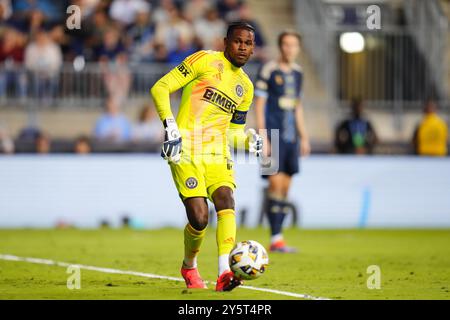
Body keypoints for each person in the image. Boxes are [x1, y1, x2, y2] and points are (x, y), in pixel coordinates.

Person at [150, 21, 263, 292]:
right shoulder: (204, 60)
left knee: (226, 200)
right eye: (237, 41)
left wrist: (249, 141)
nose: (242, 47)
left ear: (253, 48)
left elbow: (233, 132)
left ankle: (225, 271)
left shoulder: (245, 88)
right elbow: (160, 88)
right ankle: (189, 265)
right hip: (186, 148)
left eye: (248, 43)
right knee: (199, 217)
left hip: (217, 153)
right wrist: (171, 128)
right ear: (225, 42)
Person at [255, 30, 310, 253]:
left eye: (294, 45)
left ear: (298, 48)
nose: (290, 49)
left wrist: (304, 137)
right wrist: (262, 136)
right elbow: (258, 105)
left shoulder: (298, 73)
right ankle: (275, 238)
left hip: (290, 139)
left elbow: (297, 106)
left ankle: (278, 237)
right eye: (286, 45)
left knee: (286, 188)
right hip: (272, 135)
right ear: (280, 47)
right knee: (274, 185)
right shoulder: (269, 70)